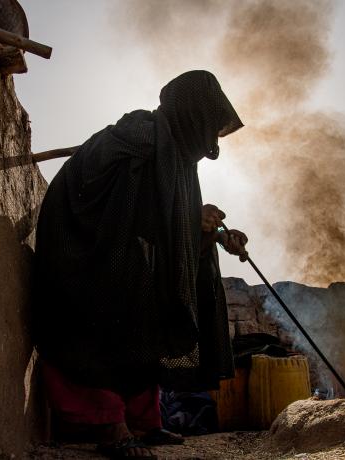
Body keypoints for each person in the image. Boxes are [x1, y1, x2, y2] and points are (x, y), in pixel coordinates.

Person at [33, 70, 248, 459]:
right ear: (192, 113)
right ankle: (109, 423)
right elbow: (124, 208)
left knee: (154, 307)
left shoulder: (177, 155)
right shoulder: (142, 134)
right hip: (80, 240)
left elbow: (164, 217)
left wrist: (209, 233)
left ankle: (144, 420)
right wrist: (189, 218)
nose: (212, 139)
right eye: (210, 126)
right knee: (116, 306)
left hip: (117, 245)